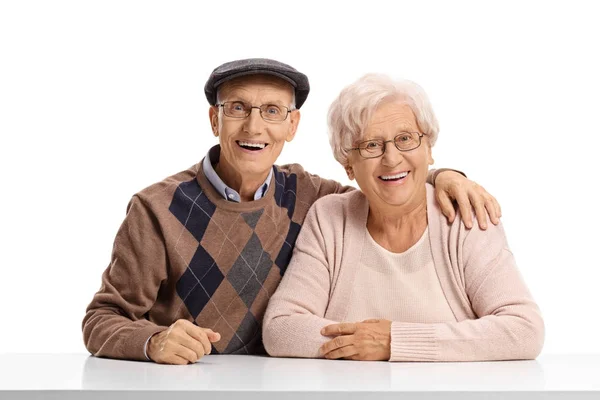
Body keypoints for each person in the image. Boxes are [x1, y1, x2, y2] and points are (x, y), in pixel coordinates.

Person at [83, 59, 502, 365]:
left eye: (272, 111)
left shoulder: (310, 196)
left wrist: (445, 174)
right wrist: (152, 341)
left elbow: (383, 179)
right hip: (190, 387)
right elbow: (101, 317)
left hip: (282, 383)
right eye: (237, 109)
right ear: (215, 119)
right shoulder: (156, 209)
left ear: (292, 125)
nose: (253, 127)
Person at [263, 73, 544, 362]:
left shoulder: (464, 217)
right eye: (371, 145)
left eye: (405, 139)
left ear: (429, 149)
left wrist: (394, 342)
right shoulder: (330, 218)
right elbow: (281, 328)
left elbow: (524, 330)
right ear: (348, 165)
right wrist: (367, 342)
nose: (392, 158)